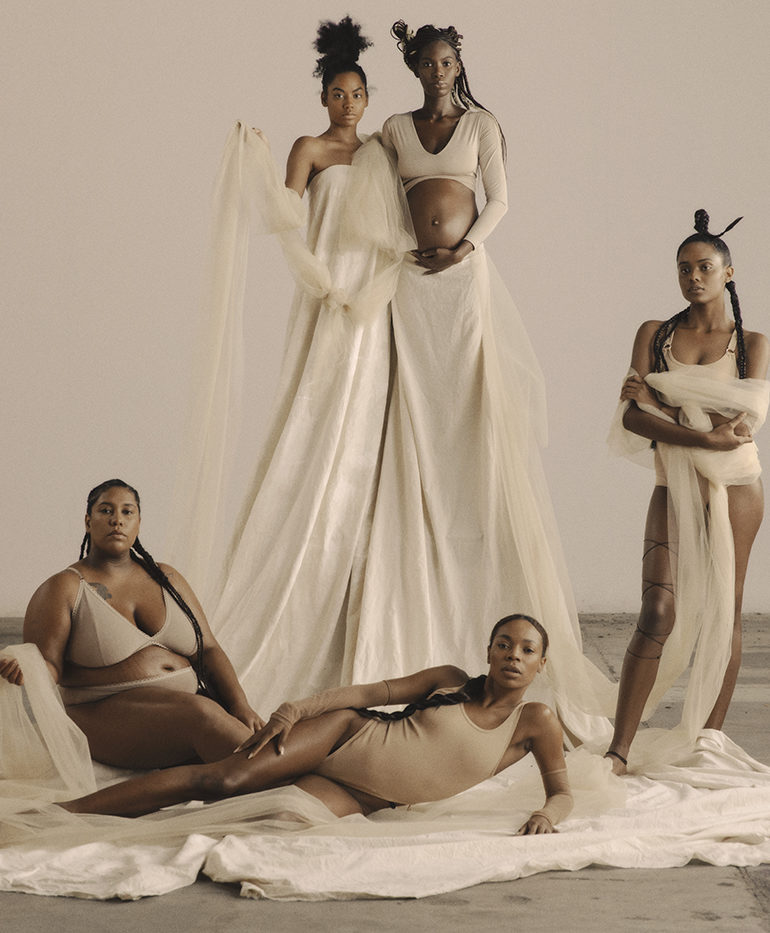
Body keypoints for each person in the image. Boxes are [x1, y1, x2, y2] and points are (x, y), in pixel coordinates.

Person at [344, 21, 615, 748]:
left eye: (447, 60)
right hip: (410, 277)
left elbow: (500, 199)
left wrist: (464, 246)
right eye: (426, 62)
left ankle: (468, 534)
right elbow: (367, 188)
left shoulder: (481, 124)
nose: (437, 70)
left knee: (468, 409)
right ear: (413, 66)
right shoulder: (395, 129)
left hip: (463, 280)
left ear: (458, 63)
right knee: (415, 407)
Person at [171, 17, 411, 712]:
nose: (348, 104)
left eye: (357, 94)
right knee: (311, 416)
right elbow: (285, 215)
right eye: (337, 93)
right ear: (323, 97)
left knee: (366, 426)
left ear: (367, 98)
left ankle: (355, 577)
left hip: (373, 302)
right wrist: (258, 158)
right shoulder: (309, 148)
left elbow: (398, 228)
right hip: (325, 295)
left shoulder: (381, 153)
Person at [60, 614, 573, 836]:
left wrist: (547, 815)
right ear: (489, 651)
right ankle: (65, 814)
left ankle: (128, 802)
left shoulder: (534, 721)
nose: (513, 654)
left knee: (264, 819)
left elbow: (562, 793)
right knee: (221, 781)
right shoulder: (450, 679)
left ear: (541, 664)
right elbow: (369, 695)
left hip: (365, 796)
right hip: (343, 736)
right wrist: (297, 710)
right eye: (504, 643)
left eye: (527, 649)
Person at [605, 210, 770, 774]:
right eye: (683, 268)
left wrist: (662, 403)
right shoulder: (655, 334)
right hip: (671, 484)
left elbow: (741, 428)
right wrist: (699, 430)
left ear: (728, 273)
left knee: (725, 615)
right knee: (658, 610)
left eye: (704, 267)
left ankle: (708, 744)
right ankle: (619, 750)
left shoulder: (752, 344)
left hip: (737, 487)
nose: (693, 277)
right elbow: (632, 419)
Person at [0, 479, 262, 770]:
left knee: (263, 743)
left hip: (185, 706)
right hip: (102, 715)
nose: (117, 520)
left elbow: (208, 649)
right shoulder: (64, 588)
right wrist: (27, 668)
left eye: (127, 512)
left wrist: (240, 705)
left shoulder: (167, 578)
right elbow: (49, 664)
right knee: (207, 717)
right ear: (88, 521)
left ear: (138, 523)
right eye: (106, 510)